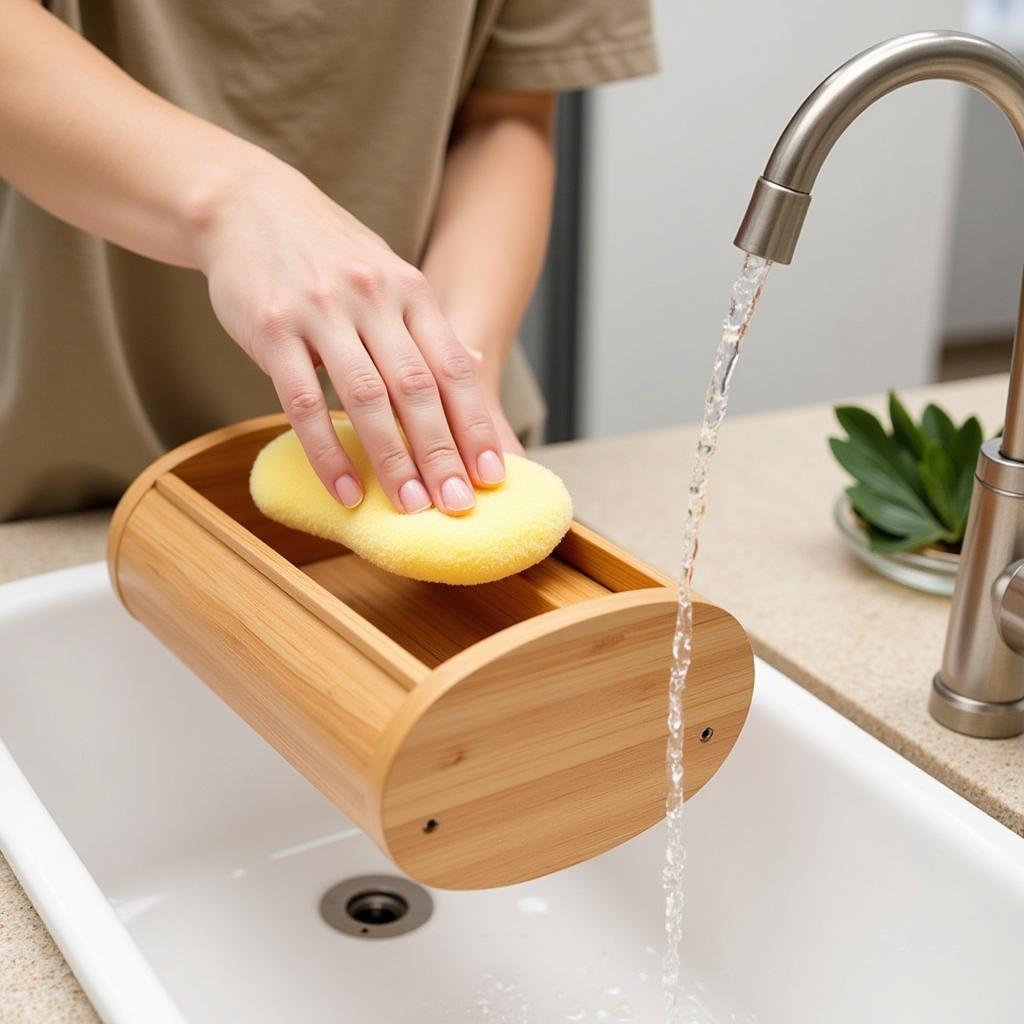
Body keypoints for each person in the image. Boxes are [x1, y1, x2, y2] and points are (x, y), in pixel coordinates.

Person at [0, 0, 657, 521]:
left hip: (420, 481)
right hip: (54, 481)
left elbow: (508, 112)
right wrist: (231, 203)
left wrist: (453, 366)